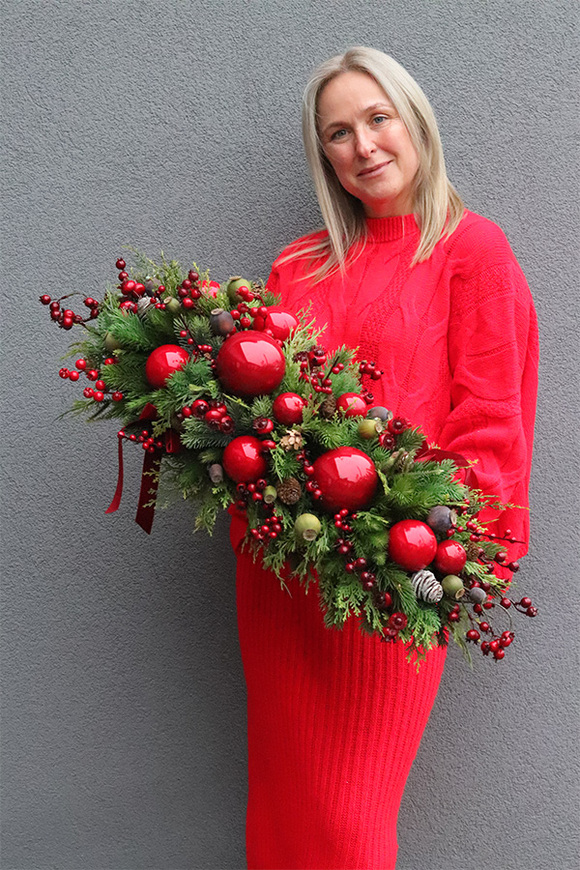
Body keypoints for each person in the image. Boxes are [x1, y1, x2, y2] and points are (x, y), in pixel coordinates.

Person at [229, 46, 538, 870]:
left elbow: (491, 423)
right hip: (282, 577)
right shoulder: (295, 267)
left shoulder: (473, 250)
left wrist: (440, 558)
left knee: (348, 824)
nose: (363, 145)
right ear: (322, 154)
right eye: (338, 131)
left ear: (414, 121)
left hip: (387, 576)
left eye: (377, 118)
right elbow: (259, 411)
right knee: (285, 809)